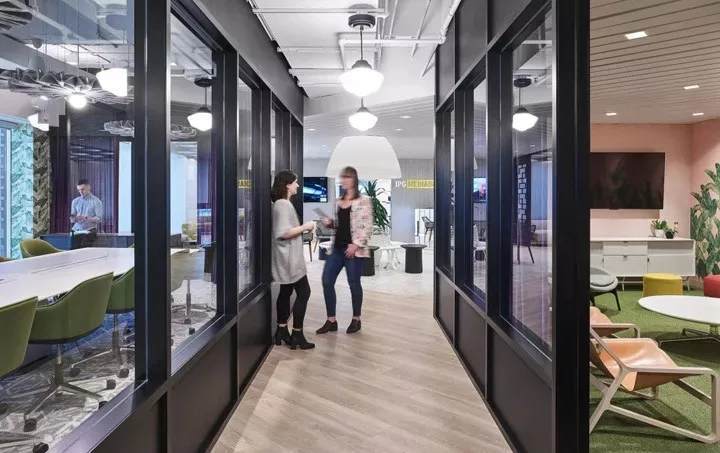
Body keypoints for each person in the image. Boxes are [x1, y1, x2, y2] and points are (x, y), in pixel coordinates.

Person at [316, 166, 373, 335]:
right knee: (327, 281)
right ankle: (331, 320)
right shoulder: (338, 201)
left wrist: (356, 244)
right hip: (337, 248)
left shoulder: (364, 200)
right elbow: (340, 225)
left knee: (354, 284)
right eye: (342, 177)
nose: (343, 180)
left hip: (354, 250)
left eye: (347, 177)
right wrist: (330, 223)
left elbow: (368, 226)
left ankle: (356, 319)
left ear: (354, 179)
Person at [271, 170, 316, 350]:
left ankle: (281, 331)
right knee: (304, 292)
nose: (298, 185)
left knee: (286, 291)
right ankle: (297, 334)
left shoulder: (279, 204)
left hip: (286, 258)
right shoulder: (283, 204)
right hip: (290, 260)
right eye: (295, 182)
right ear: (287, 185)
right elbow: (283, 232)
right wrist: (306, 226)